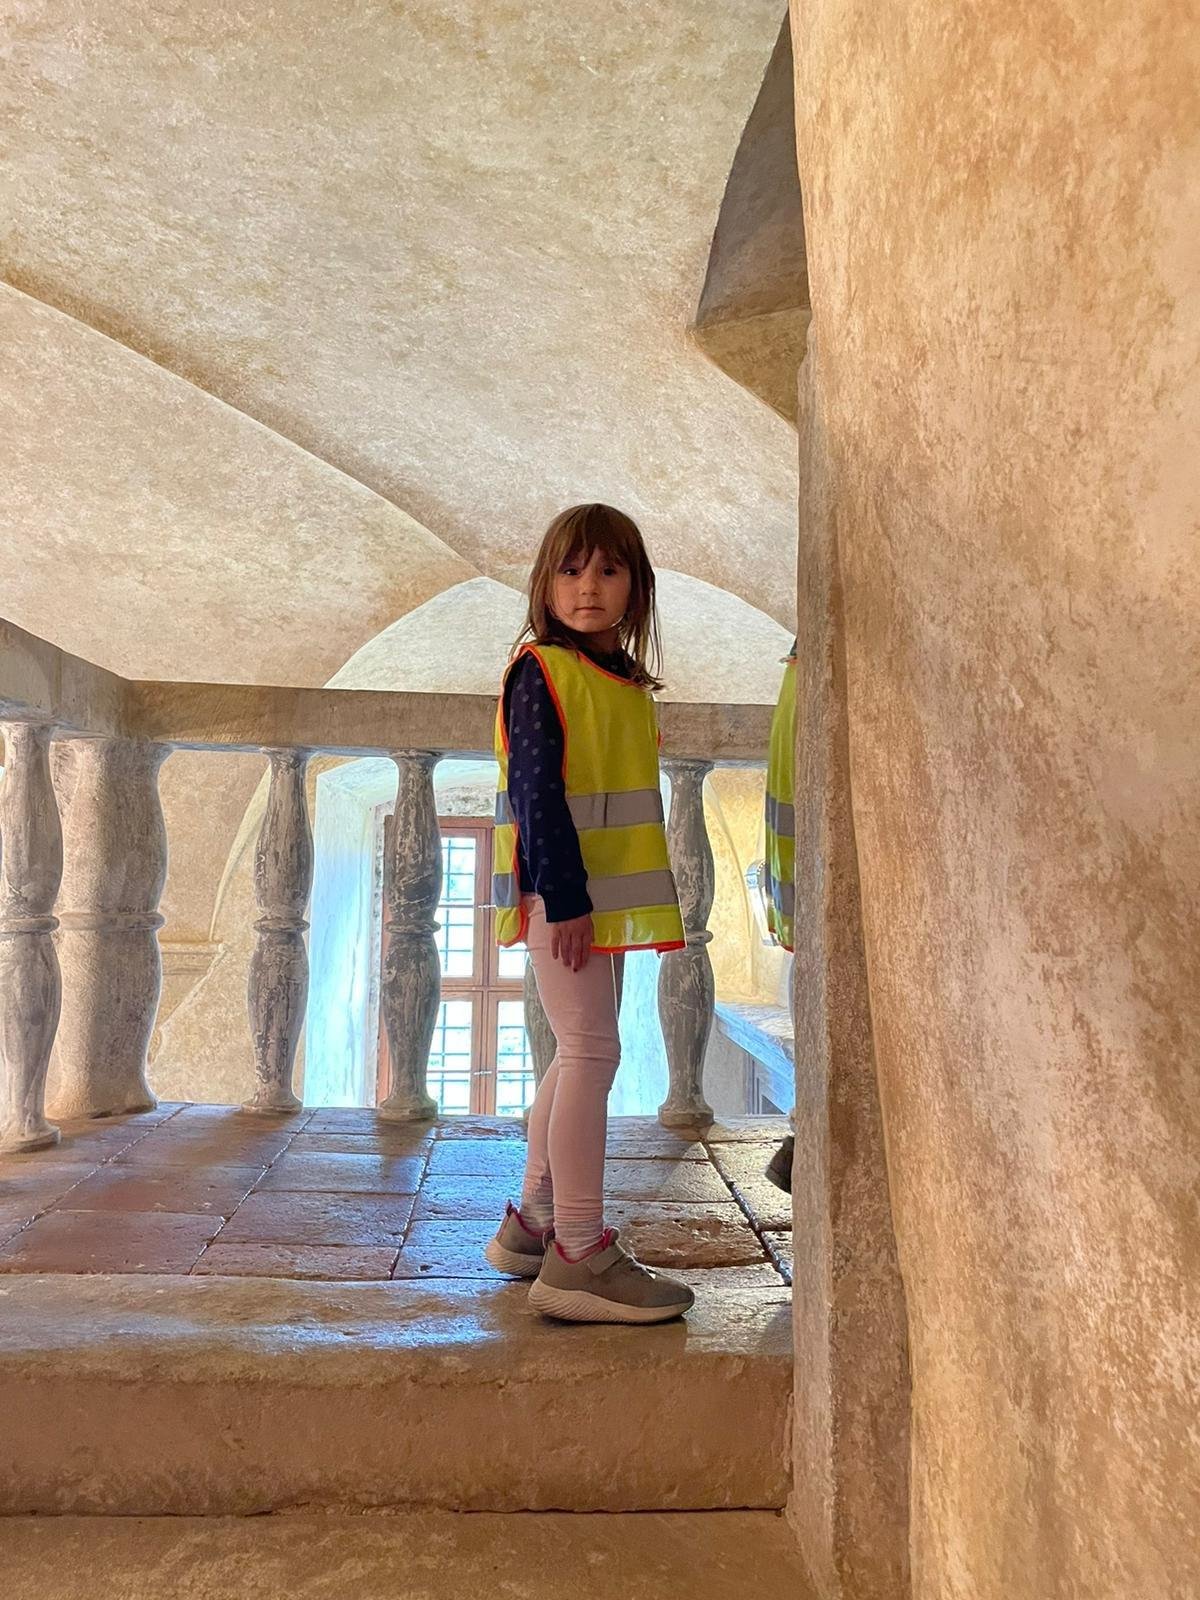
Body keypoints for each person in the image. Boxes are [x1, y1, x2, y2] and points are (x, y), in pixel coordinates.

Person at [483, 503, 694, 1324]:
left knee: (579, 1053)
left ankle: (533, 1225)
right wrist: (567, 902)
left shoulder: (621, 682)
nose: (588, 588)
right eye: (571, 571)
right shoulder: (542, 671)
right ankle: (577, 1253)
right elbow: (537, 796)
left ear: (637, 588)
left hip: (597, 902)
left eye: (609, 570)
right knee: (591, 1054)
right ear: (546, 584)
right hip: (563, 900)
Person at [763, 638, 797, 1195]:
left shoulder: (795, 679)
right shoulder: (808, 677)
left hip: (801, 890)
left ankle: (801, 1135)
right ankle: (803, 1134)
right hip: (813, 889)